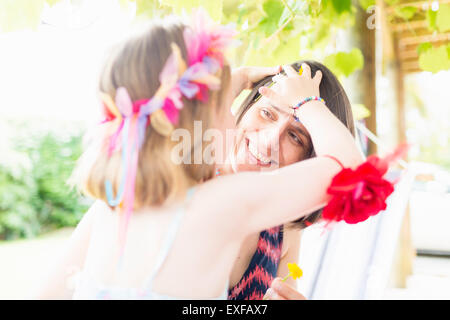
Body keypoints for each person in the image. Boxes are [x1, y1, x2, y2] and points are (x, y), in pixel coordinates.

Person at [31, 11, 363, 299]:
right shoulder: (226, 202)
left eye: (295, 135)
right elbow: (349, 172)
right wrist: (309, 105)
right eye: (263, 113)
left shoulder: (123, 199)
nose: (232, 114)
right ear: (201, 120)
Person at [222, 61, 356, 300]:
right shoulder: (186, 181)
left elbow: (351, 177)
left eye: (295, 136)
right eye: (266, 113)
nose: (270, 140)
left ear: (310, 159)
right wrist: (237, 79)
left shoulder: (281, 231)